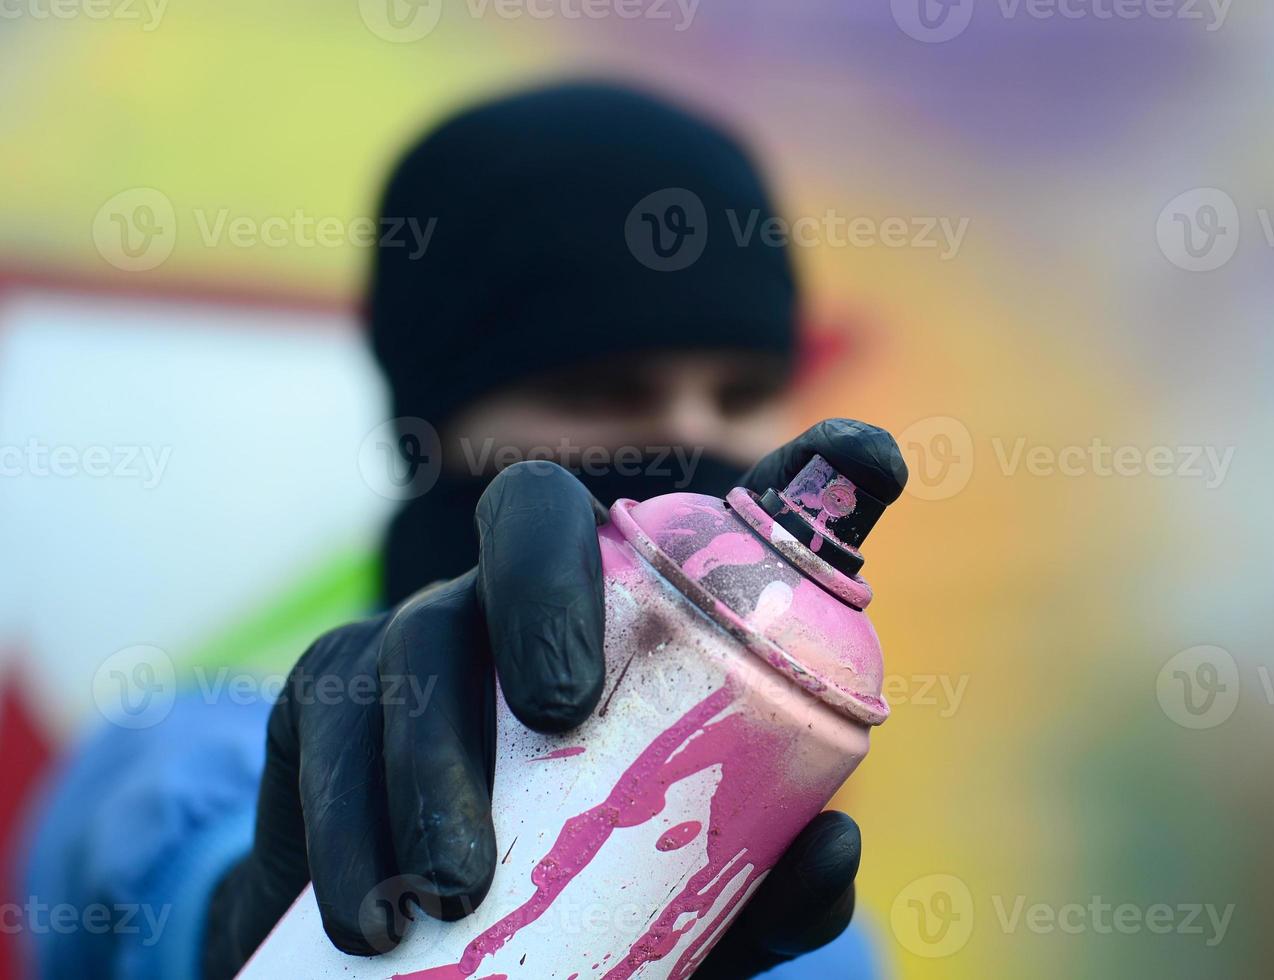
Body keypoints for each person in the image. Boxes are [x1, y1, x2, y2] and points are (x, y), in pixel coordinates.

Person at [22, 83, 907, 979]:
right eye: (607, 390)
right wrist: (245, 926)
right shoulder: (198, 751)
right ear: (440, 426)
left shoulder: (804, 941)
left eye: (745, 395)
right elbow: (145, 869)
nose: (690, 435)